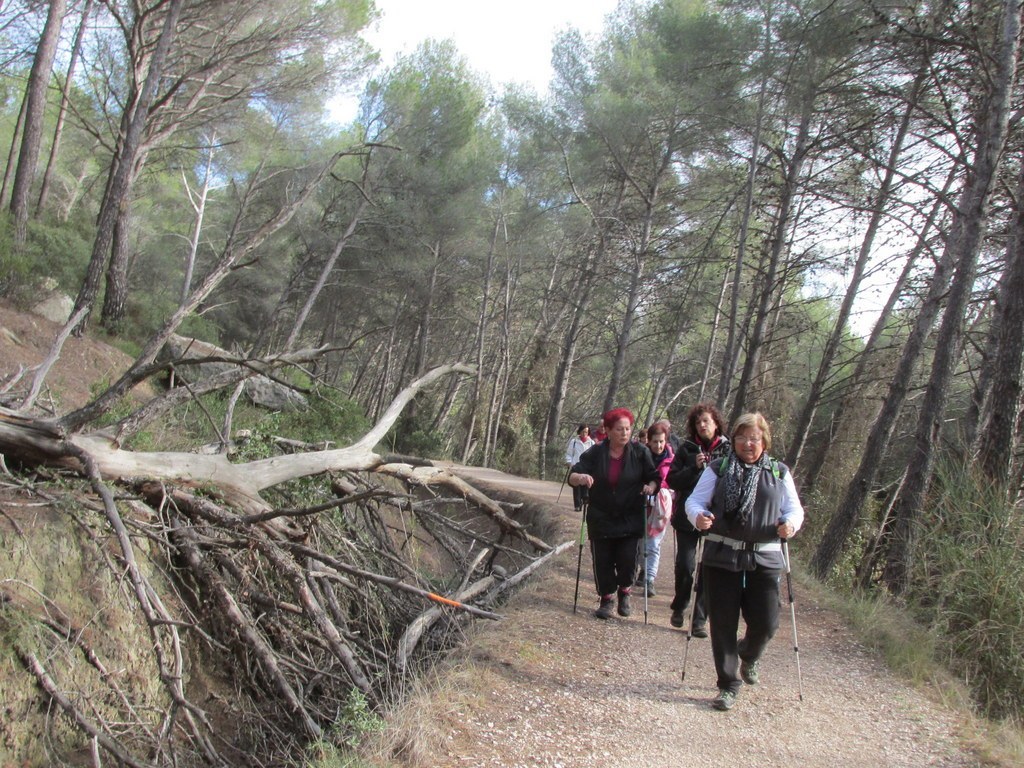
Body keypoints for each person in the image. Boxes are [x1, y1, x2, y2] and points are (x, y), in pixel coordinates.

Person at [684, 412, 805, 711]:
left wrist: (790, 524)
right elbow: (694, 501)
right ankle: (727, 685)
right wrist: (698, 517)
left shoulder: (778, 472)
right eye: (741, 437)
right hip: (722, 554)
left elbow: (794, 510)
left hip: (765, 555)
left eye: (754, 438)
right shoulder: (719, 469)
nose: (748, 444)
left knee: (766, 622)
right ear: (734, 439)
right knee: (722, 623)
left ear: (764, 441)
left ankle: (749, 654)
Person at [569, 407, 659, 619]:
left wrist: (651, 487)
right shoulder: (596, 452)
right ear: (608, 430)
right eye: (619, 429)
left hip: (630, 516)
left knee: (628, 558)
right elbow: (573, 475)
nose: (624, 433)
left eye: (627, 429)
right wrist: (581, 478)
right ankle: (607, 598)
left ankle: (625, 591)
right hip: (601, 516)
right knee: (603, 560)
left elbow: (654, 477)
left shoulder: (640, 452)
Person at [666, 402, 730, 635]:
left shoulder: (728, 449)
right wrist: (693, 468)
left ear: (716, 423)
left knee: (709, 568)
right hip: (686, 516)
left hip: (716, 518)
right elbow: (672, 480)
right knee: (686, 564)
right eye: (698, 422)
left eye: (706, 421)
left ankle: (700, 618)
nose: (702, 425)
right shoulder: (686, 449)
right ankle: (680, 604)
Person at [635, 420, 674, 596]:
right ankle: (643, 570)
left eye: (662, 441)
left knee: (654, 545)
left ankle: (650, 580)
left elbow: (676, 480)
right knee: (641, 544)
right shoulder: (640, 456)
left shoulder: (672, 460)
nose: (659, 445)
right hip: (641, 504)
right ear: (648, 441)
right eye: (655, 441)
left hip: (661, 507)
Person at [564, 424, 595, 511]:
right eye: (583, 431)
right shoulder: (574, 442)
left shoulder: (592, 443)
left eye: (586, 432)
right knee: (576, 485)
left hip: (587, 466)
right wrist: (569, 462)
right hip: (576, 465)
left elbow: (594, 456)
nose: (585, 433)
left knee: (585, 484)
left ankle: (584, 499)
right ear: (580, 432)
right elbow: (569, 454)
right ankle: (577, 505)